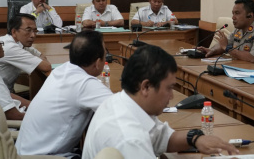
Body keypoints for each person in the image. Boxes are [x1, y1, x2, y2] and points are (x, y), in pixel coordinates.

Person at [82, 45, 238, 159]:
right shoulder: (129, 139)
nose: (171, 96)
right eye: (169, 88)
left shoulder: (122, 102)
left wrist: (196, 138)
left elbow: (162, 138)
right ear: (146, 87)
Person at [16, 30, 113, 157]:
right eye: (105, 55)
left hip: (24, 152)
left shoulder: (62, 70)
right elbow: (120, 109)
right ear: (97, 63)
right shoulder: (83, 83)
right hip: (43, 156)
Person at [197, 0, 254, 70]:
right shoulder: (238, 30)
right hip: (241, 70)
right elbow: (223, 44)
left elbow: (252, 59)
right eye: (233, 13)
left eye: (237, 13)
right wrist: (212, 50)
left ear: (250, 15)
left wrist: (226, 47)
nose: (233, 17)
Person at [0, 14, 51, 93]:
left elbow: (41, 55)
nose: (33, 35)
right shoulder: (11, 48)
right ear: (14, 31)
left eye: (35, 31)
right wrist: (41, 61)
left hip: (4, 91)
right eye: (28, 30)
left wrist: (41, 61)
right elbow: (46, 67)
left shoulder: (18, 43)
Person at [0, 29, 30, 120]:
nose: (2, 46)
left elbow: (6, 95)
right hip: (14, 127)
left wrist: (32, 105)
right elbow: (14, 115)